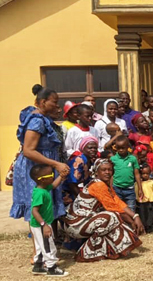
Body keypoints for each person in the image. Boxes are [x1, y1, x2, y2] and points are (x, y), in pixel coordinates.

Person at [65, 159, 143, 262]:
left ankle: (108, 250)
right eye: (104, 170)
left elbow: (117, 201)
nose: (107, 172)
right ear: (96, 172)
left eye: (109, 170)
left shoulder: (105, 184)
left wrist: (135, 216)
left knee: (112, 219)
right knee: (111, 216)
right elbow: (113, 207)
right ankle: (87, 253)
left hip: (83, 221)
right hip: (76, 224)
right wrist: (133, 221)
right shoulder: (98, 185)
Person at [11, 85, 68, 223]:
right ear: (43, 102)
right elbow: (28, 151)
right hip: (35, 169)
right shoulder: (37, 121)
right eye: (54, 102)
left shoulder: (43, 118)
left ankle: (45, 239)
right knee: (38, 207)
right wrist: (56, 164)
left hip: (43, 166)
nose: (56, 105)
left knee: (45, 205)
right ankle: (38, 240)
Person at [29, 164, 69, 277]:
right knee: (48, 246)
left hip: (40, 224)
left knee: (40, 245)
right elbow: (34, 211)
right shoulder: (40, 194)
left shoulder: (43, 188)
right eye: (50, 175)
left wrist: (61, 176)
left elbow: (54, 185)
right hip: (41, 225)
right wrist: (44, 225)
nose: (52, 176)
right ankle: (52, 268)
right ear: (40, 179)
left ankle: (38, 265)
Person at [111, 135, 143, 212]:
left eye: (123, 148)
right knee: (118, 209)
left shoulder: (133, 159)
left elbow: (137, 174)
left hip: (130, 189)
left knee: (131, 209)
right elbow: (111, 175)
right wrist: (110, 188)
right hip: (117, 188)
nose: (121, 150)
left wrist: (140, 188)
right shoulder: (113, 159)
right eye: (118, 148)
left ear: (128, 147)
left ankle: (130, 224)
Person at [63, 136, 98, 200]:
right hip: (70, 193)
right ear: (83, 148)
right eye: (90, 148)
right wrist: (82, 199)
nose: (93, 150)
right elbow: (72, 183)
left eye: (95, 148)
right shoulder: (78, 161)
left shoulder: (90, 161)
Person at [135, 164, 153, 232]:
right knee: (143, 215)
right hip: (141, 203)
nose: (145, 175)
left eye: (147, 173)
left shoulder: (151, 182)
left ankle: (150, 227)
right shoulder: (137, 184)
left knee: (151, 215)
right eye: (143, 173)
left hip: (150, 202)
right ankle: (144, 227)